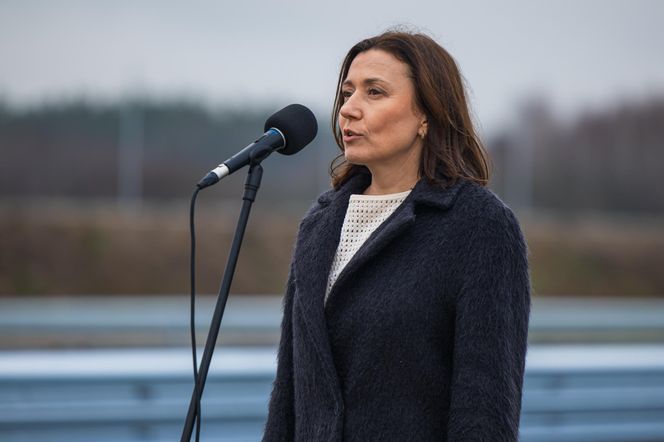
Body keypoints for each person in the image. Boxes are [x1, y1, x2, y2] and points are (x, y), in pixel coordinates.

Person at [263, 30, 531, 441]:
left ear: (427, 113)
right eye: (347, 92)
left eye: (375, 92)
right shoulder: (318, 226)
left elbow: (485, 410)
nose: (349, 109)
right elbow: (288, 397)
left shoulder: (479, 226)